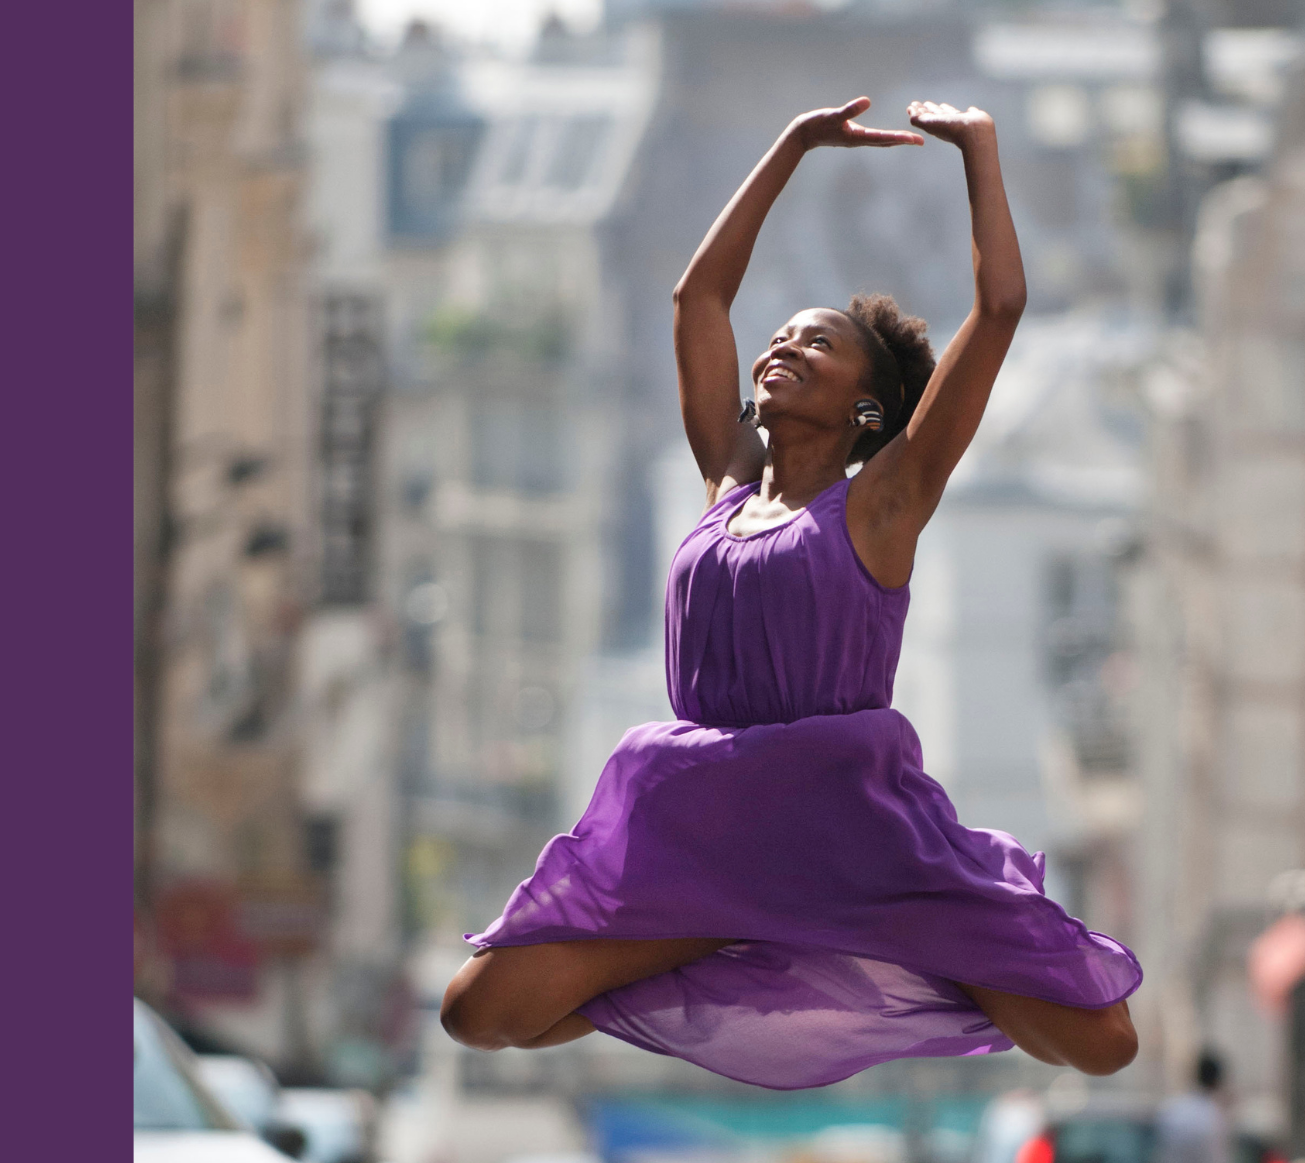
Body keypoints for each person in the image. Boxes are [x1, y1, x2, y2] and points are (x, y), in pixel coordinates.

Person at [439, 97, 1141, 1090]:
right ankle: (725, 930)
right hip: (700, 819)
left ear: (867, 407)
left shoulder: (885, 501)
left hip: (847, 826)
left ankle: (895, 943)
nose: (782, 348)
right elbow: (698, 302)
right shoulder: (725, 476)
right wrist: (793, 146)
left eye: (816, 345)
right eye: (781, 338)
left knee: (1106, 1039)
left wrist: (979, 150)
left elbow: (1001, 312)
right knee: (477, 1014)